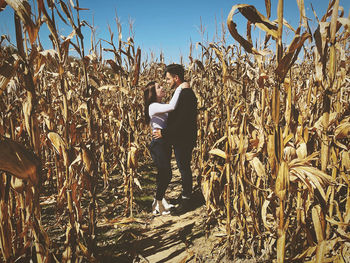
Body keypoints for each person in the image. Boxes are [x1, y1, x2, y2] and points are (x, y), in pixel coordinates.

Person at [153, 64, 198, 214]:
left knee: (184, 168)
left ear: (176, 78)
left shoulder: (185, 94)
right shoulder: (182, 92)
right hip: (182, 137)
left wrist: (164, 133)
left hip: (184, 139)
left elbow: (182, 121)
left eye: (168, 79)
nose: (166, 82)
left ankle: (187, 201)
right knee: (183, 166)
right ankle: (186, 196)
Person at [143, 80, 189, 215]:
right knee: (167, 173)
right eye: (158, 87)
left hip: (165, 143)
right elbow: (173, 106)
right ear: (152, 93)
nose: (162, 88)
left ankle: (160, 202)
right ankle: (157, 203)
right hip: (158, 144)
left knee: (163, 174)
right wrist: (180, 88)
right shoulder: (153, 106)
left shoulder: (160, 105)